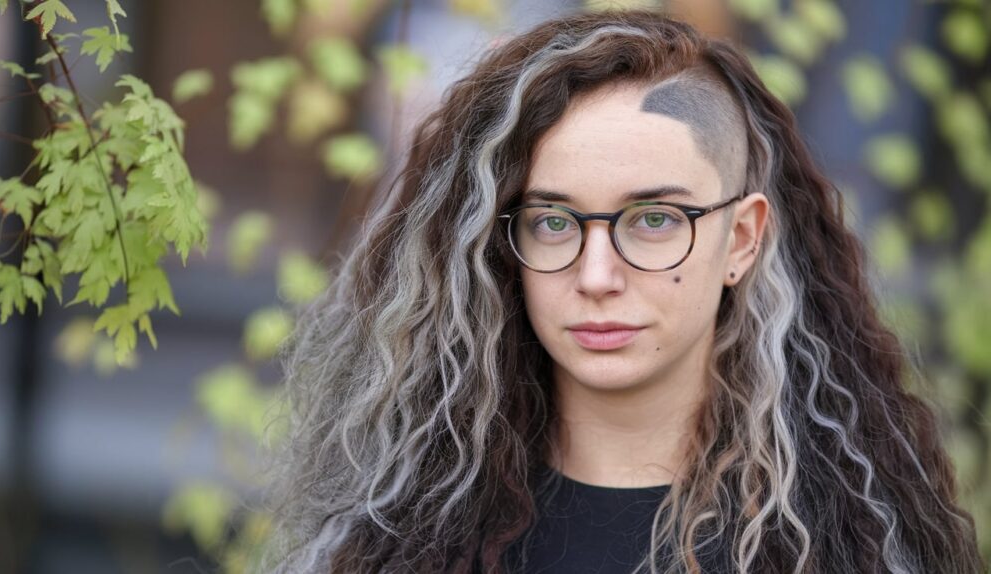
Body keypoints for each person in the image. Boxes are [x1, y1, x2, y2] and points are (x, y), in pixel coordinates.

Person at [261, 9, 985, 574]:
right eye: (552, 221)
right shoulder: (398, 537)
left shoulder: (848, 542)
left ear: (741, 239)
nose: (597, 276)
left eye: (654, 220)